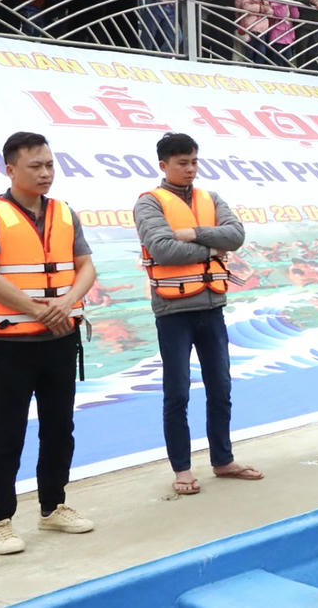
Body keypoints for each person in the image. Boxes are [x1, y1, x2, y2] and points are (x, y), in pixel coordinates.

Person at [134, 133, 261, 496]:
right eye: (182, 163)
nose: (190, 169)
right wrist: (211, 249)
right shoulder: (149, 203)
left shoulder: (211, 198)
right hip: (173, 313)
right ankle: (182, 470)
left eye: (193, 162)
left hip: (212, 308)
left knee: (221, 386)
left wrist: (192, 233)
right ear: (164, 165)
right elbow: (163, 249)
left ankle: (223, 460)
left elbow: (235, 236)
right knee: (177, 393)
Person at [0, 132, 97, 555]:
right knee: (5, 432)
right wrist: (38, 310)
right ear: (10, 169)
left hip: (60, 339)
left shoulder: (65, 213)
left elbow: (86, 266)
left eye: (50, 165)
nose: (45, 173)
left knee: (59, 427)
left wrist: (67, 303)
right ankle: (0, 519)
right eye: (35, 166)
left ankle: (53, 506)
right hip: (10, 345)